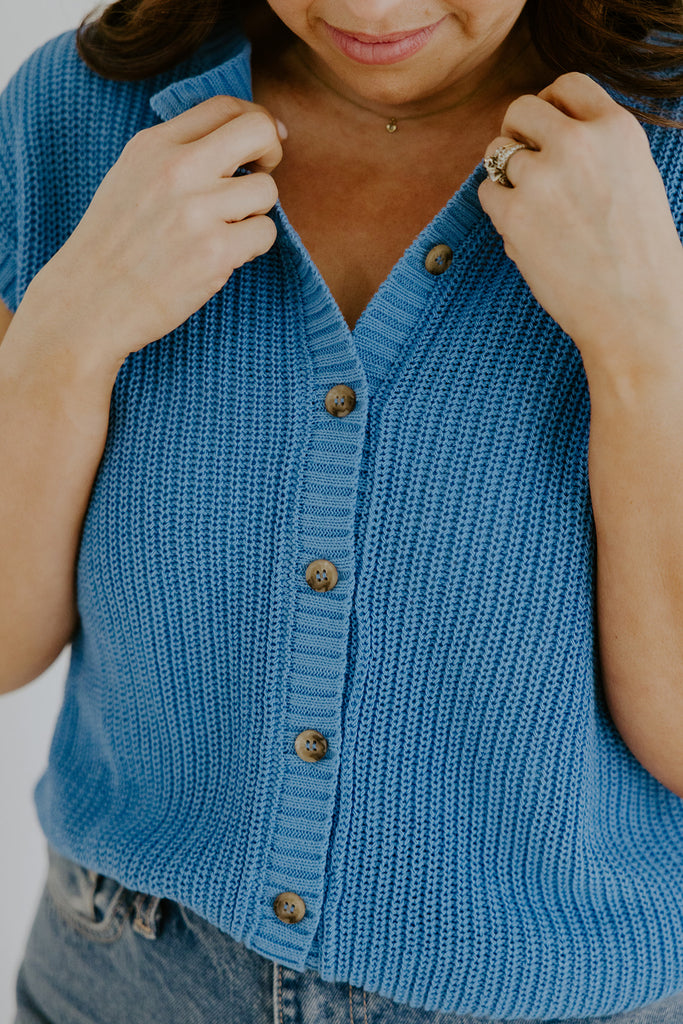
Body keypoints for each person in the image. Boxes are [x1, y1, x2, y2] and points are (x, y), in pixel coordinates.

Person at [2, 0, 683, 1020]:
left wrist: (643, 349)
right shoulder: (79, 110)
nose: (368, 9)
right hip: (118, 971)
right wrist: (65, 335)